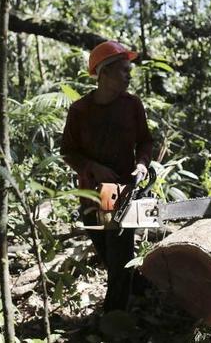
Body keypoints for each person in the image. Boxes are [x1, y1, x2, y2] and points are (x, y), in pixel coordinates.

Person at [61, 40, 153, 312]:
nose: (129, 76)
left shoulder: (132, 105)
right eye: (124, 70)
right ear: (105, 73)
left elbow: (146, 142)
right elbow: (68, 151)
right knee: (109, 254)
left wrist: (142, 165)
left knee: (120, 253)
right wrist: (93, 167)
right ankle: (139, 290)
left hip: (125, 191)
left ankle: (115, 317)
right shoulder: (80, 111)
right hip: (91, 194)